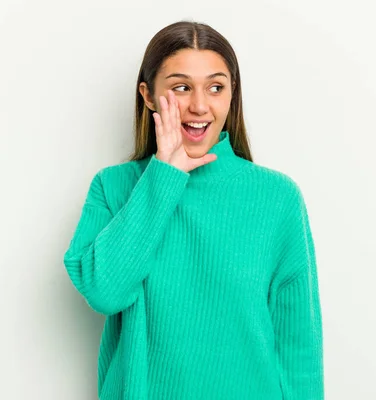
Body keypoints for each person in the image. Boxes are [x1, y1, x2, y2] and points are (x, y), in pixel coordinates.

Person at [63, 20, 324, 400]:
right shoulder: (115, 188)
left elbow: (299, 347)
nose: (200, 105)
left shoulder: (277, 198)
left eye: (215, 87)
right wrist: (165, 176)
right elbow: (105, 292)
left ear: (232, 94)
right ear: (149, 95)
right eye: (181, 87)